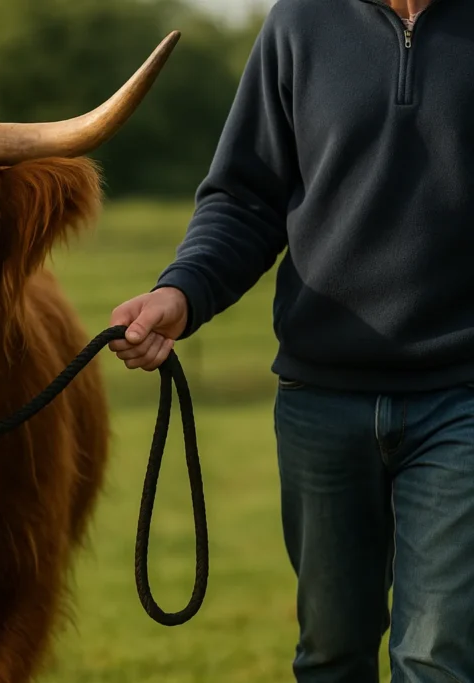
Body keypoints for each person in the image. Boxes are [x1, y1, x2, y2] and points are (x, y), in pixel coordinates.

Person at [108, 0, 474, 681]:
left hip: (462, 400)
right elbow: (244, 201)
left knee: (439, 657)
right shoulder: (300, 24)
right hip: (321, 399)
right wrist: (180, 292)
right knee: (330, 656)